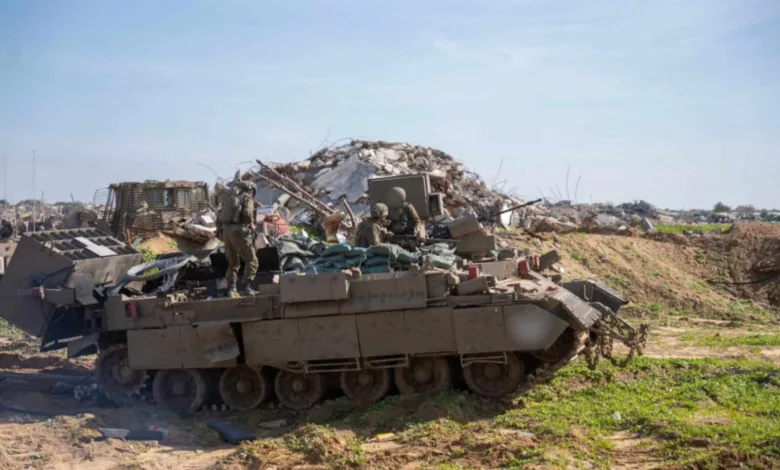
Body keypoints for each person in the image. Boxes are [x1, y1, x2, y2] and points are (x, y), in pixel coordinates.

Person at [222, 181, 259, 298]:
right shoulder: (247, 198)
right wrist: (252, 224)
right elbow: (248, 213)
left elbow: (219, 216)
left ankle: (231, 289)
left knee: (233, 263)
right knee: (252, 260)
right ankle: (246, 287)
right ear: (251, 190)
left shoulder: (232, 199)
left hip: (226, 232)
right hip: (238, 231)